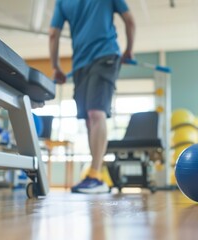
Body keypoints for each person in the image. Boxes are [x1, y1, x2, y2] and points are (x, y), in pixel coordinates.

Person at [49, 0, 135, 193]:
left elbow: (53, 34)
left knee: (96, 113)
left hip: (104, 55)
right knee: (89, 119)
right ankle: (96, 175)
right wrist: (129, 49)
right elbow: (130, 21)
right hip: (81, 63)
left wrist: (55, 67)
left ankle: (95, 175)